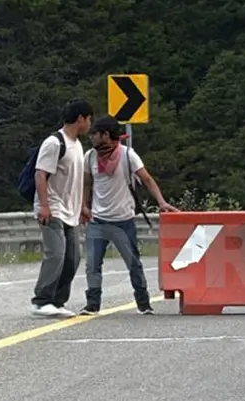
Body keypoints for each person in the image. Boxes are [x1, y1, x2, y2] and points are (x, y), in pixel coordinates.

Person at [81, 116, 178, 315]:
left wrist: (161, 202)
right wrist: (84, 206)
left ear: (105, 135)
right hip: (98, 220)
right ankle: (92, 304)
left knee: (133, 263)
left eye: (95, 134)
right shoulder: (90, 157)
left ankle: (143, 303)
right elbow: (86, 184)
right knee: (92, 264)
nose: (92, 138)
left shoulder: (127, 155)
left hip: (123, 220)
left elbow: (147, 179)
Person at [31, 98, 92, 318]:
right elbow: (40, 174)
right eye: (88, 119)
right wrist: (45, 206)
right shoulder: (55, 143)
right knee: (56, 254)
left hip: (71, 211)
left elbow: (74, 179)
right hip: (53, 208)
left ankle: (57, 301)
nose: (89, 124)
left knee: (72, 258)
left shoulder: (77, 144)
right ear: (80, 119)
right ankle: (41, 300)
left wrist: (82, 207)